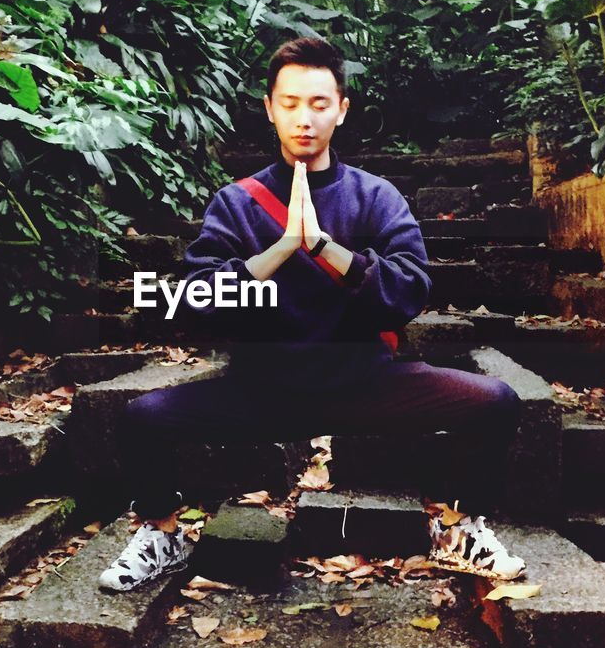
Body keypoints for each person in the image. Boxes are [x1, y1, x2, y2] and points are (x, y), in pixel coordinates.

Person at [97, 36, 525, 591]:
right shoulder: (237, 203)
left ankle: (455, 528)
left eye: (319, 104)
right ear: (271, 108)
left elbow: (409, 291)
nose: (304, 118)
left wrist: (326, 248)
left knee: (495, 401)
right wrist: (276, 252)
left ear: (341, 110)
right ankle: (163, 534)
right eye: (291, 103)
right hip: (262, 391)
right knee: (140, 418)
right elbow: (193, 301)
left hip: (366, 383)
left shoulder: (375, 198)